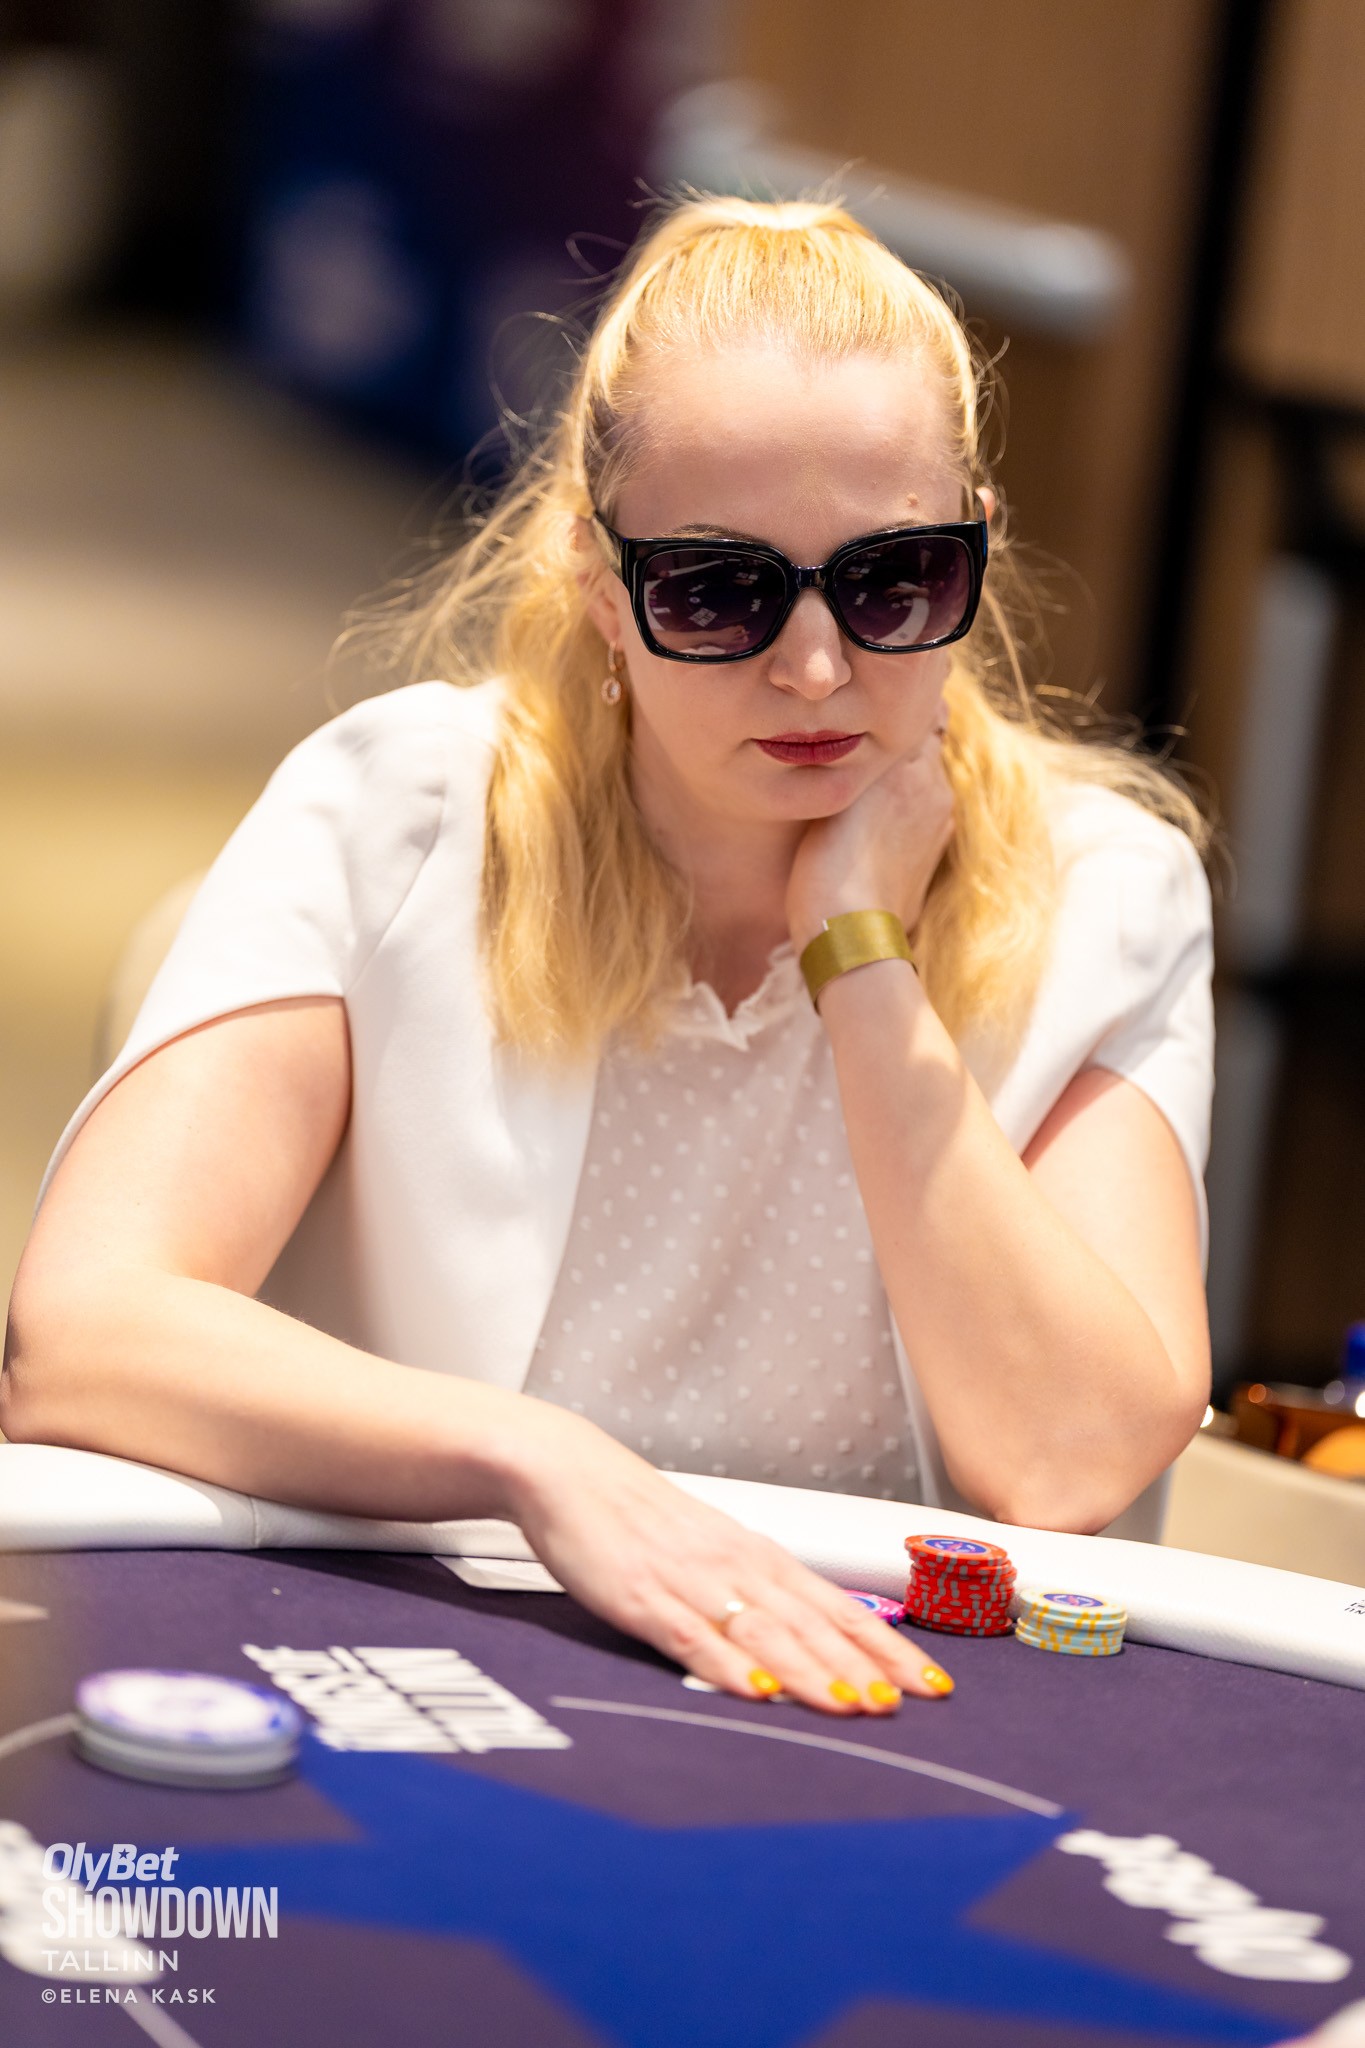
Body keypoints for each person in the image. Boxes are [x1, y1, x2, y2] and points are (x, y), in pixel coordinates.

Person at [2, 197, 1214, 1719]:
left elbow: (1070, 1462)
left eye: (893, 579)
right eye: (717, 592)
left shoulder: (1107, 889)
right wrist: (537, 1461)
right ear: (596, 577)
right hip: (404, 1672)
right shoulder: (403, 816)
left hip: (876, 1707)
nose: (817, 668)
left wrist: (861, 964)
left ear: (975, 545)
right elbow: (79, 1336)